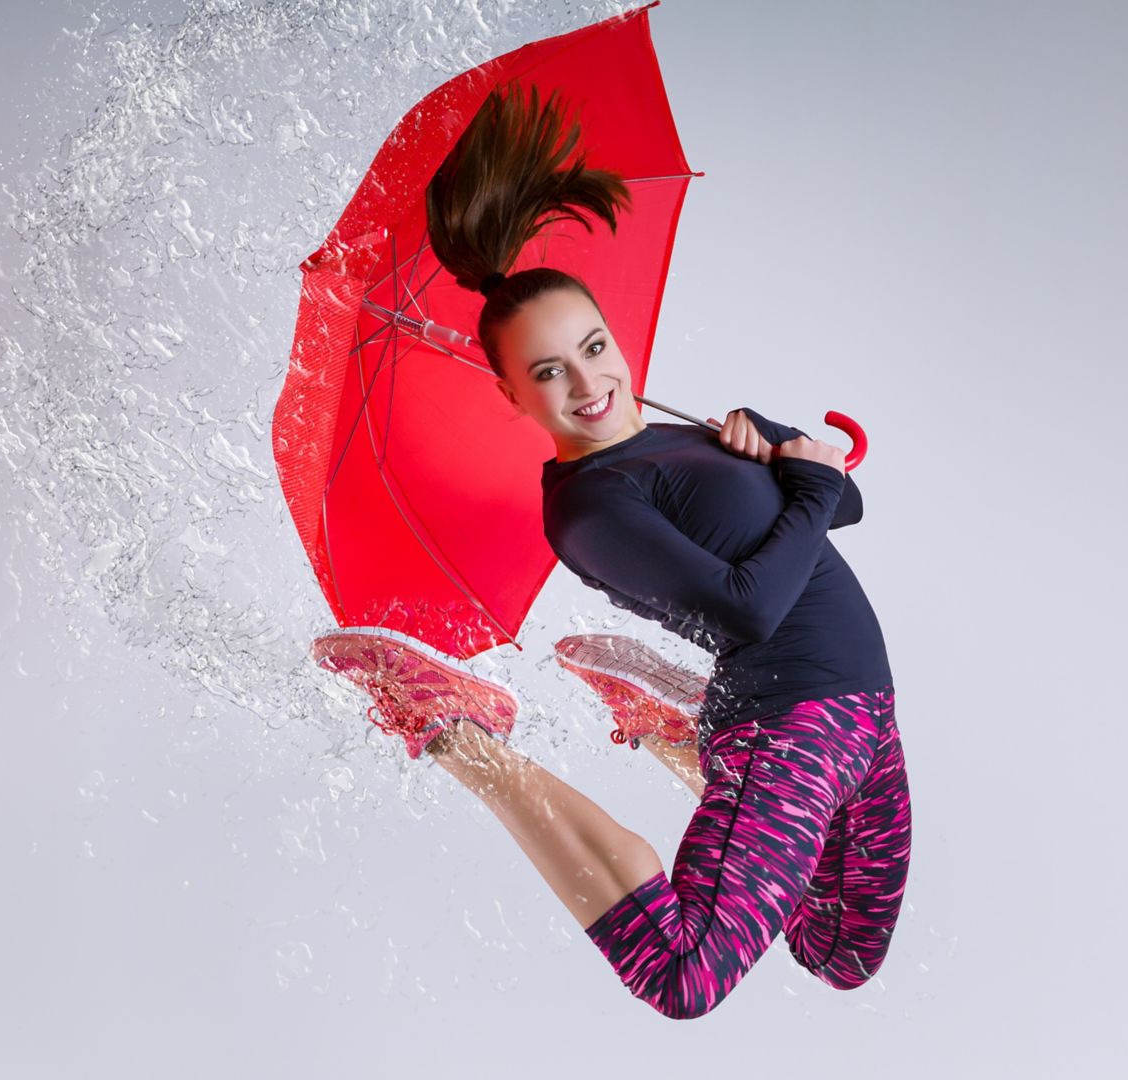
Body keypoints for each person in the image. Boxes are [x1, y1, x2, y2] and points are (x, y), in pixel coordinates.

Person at [310, 82, 910, 1019]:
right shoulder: (591, 507)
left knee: (839, 949)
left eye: (593, 347)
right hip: (789, 719)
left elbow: (850, 506)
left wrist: (776, 437)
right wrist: (813, 478)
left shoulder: (678, 436)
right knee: (680, 975)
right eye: (548, 372)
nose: (588, 382)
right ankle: (461, 732)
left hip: (863, 704)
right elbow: (750, 606)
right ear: (512, 395)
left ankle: (676, 730)